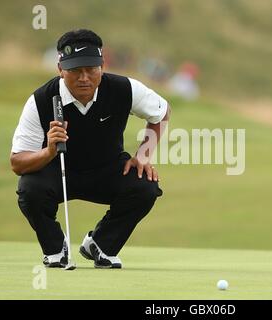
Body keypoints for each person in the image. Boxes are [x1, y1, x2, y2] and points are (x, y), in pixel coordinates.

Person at [10, 29, 170, 269]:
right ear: (60, 69)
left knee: (144, 186)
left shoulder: (124, 89)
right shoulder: (41, 100)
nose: (84, 77)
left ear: (102, 66)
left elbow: (162, 111)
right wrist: (48, 152)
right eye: (75, 70)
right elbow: (17, 163)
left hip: (107, 170)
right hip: (58, 172)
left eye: (91, 69)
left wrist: (144, 155)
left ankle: (101, 245)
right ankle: (55, 248)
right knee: (30, 188)